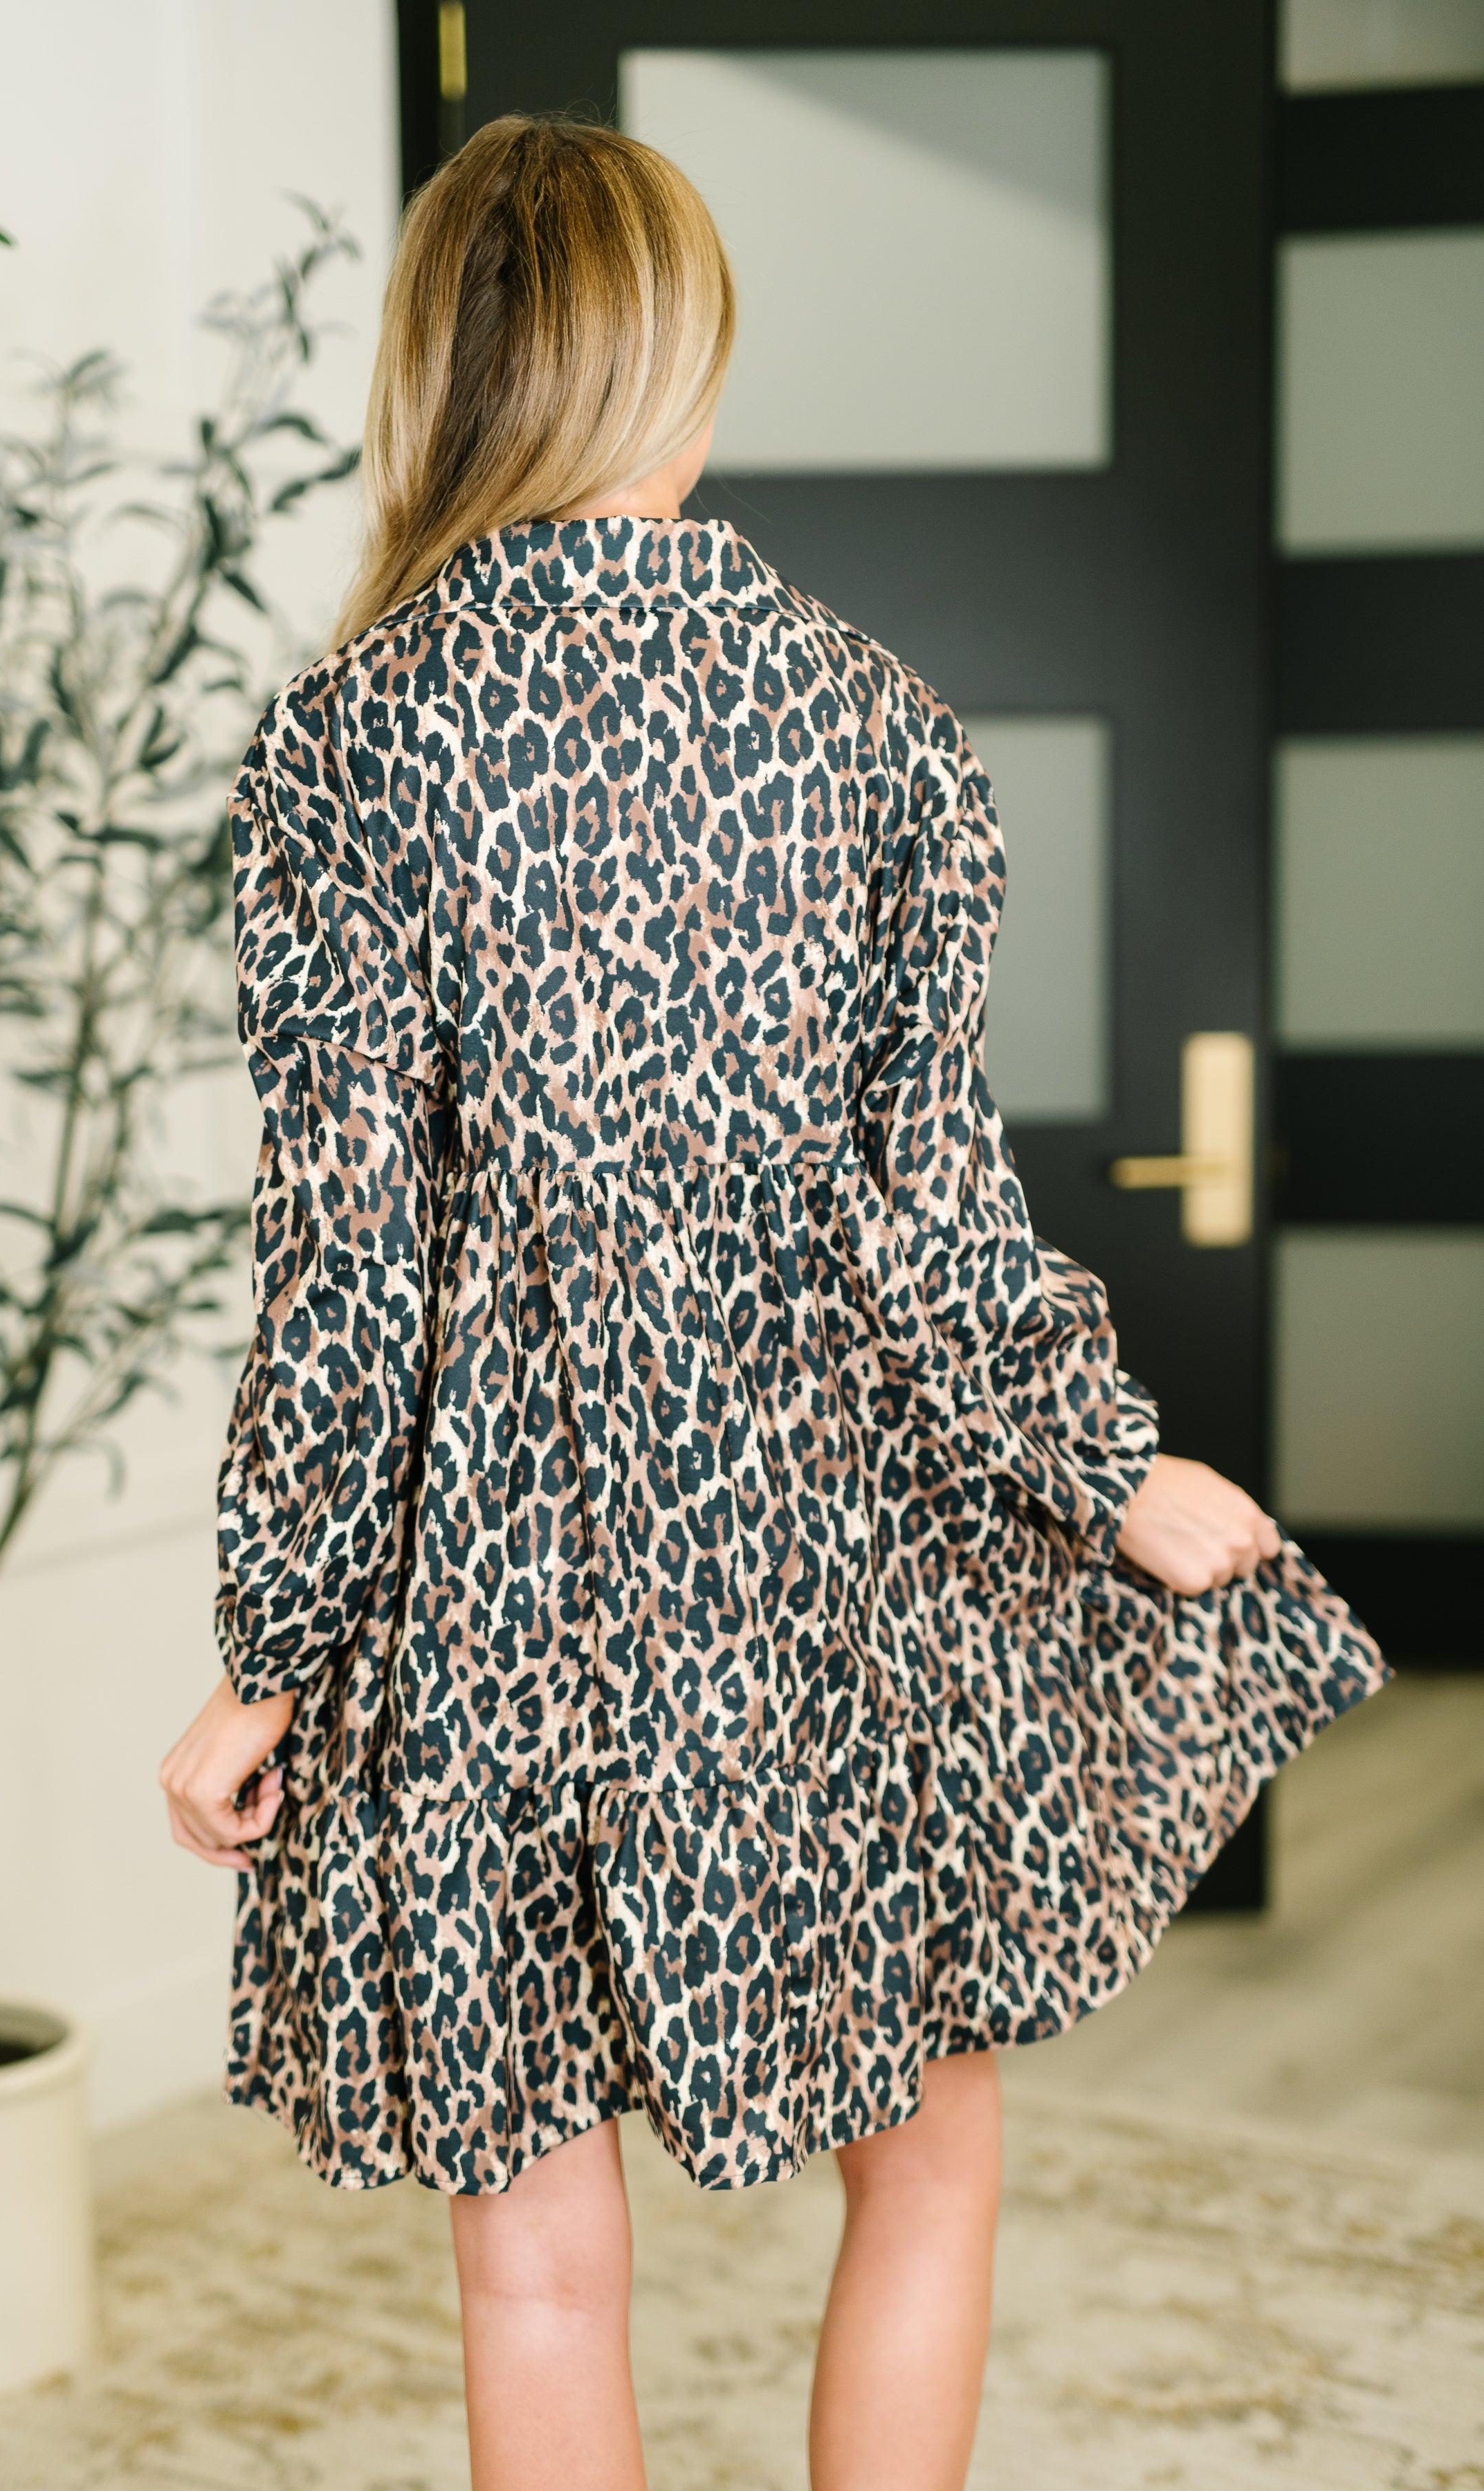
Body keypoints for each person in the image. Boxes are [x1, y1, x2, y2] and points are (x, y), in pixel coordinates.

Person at [160, 116, 1386, 2491]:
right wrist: (1111, 1473)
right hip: (825, 1581)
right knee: (924, 2169)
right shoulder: (874, 725)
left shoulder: (348, 742)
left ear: (441, 377)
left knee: (536, 2270)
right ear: (681, 366)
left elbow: (347, 1268)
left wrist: (267, 1658)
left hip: (491, 1604)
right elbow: (929, 1218)